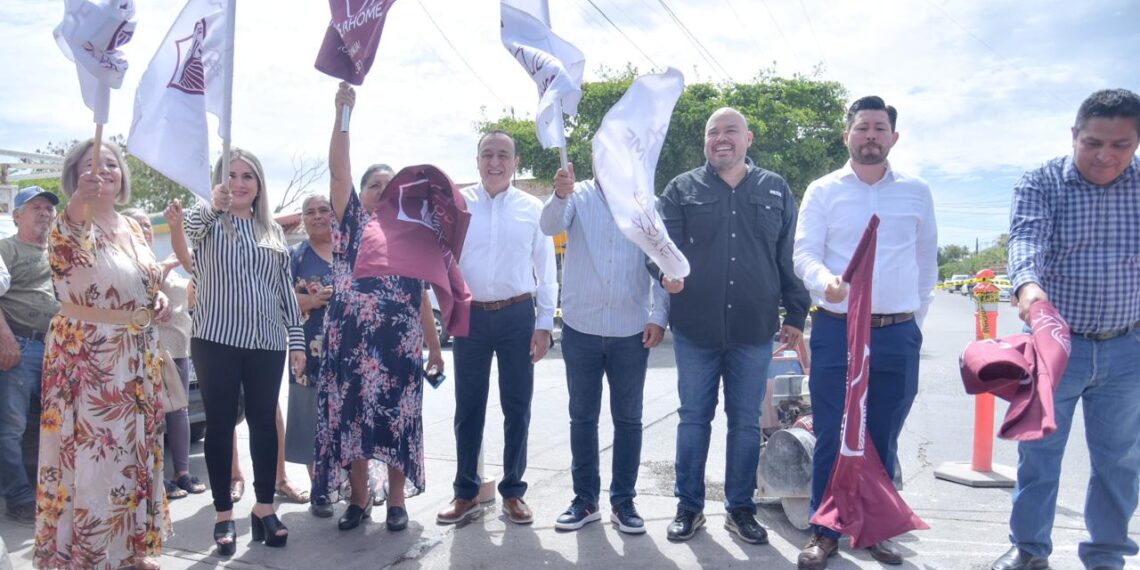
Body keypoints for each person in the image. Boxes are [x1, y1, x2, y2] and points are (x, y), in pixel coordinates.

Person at [993, 88, 1140, 570]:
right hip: (1056, 348)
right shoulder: (1042, 182)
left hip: (1127, 347)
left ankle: (1107, 555)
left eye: (1121, 145)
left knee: (1119, 462)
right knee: (1038, 454)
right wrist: (1028, 288)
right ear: (1074, 134)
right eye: (1093, 142)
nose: (1105, 155)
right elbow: (1026, 239)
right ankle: (1029, 549)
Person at [652, 107, 810, 544]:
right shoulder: (681, 189)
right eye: (713, 132)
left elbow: (788, 256)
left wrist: (796, 315)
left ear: (748, 138)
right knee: (693, 419)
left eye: (730, 131)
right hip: (695, 328)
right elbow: (659, 247)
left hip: (753, 329)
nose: (721, 138)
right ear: (705, 141)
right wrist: (663, 273)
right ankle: (689, 508)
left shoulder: (775, 189)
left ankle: (740, 509)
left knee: (744, 423)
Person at [792, 95, 937, 569]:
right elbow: (804, 253)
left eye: (879, 128)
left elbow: (925, 263)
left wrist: (913, 325)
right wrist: (825, 282)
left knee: (882, 433)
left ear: (893, 137)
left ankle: (875, 528)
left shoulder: (916, 191)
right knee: (833, 431)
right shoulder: (823, 190)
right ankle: (825, 530)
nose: (870, 136)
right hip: (838, 330)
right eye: (862, 127)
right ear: (847, 135)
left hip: (896, 334)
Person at [314, 83, 445, 533]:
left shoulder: (413, 236)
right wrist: (342, 114)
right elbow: (338, 171)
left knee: (396, 420)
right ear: (363, 194)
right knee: (352, 421)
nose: (382, 191)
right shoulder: (350, 223)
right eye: (374, 185)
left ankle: (396, 502)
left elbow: (421, 297)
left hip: (399, 349)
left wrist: (434, 348)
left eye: (390, 187)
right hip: (349, 345)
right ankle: (358, 500)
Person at [34, 140, 170, 570]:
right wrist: (80, 199)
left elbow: (139, 281)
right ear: (75, 176)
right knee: (95, 459)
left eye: (111, 163)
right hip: (91, 361)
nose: (103, 170)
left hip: (137, 359)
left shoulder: (134, 226)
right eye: (91, 165)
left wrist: (155, 298)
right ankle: (88, 556)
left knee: (133, 453)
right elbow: (74, 227)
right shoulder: (71, 222)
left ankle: (129, 549)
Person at [184, 148, 306, 554]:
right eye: (230, 175)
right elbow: (190, 230)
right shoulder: (205, 220)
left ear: (259, 185)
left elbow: (284, 291)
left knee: (264, 424)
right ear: (219, 183)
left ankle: (264, 508)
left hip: (266, 342)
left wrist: (296, 341)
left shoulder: (272, 232)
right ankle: (223, 514)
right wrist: (212, 205)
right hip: (216, 339)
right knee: (220, 426)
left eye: (247, 176)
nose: (238, 183)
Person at [436, 129, 557, 527]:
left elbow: (547, 270)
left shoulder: (532, 208)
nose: (495, 162)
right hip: (470, 316)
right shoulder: (457, 205)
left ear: (515, 162)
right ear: (476, 160)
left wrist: (544, 324)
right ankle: (466, 492)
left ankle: (513, 492)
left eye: (503, 154)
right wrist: (445, 309)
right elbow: (440, 259)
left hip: (517, 316)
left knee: (517, 406)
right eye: (487, 154)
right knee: (468, 408)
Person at [540, 164, 667, 534]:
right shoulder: (575, 195)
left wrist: (659, 315)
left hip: (631, 329)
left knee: (628, 420)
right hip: (582, 327)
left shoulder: (646, 203)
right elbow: (549, 225)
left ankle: (623, 501)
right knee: (582, 418)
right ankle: (585, 500)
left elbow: (662, 257)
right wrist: (559, 194)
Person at [123, 206, 209, 502]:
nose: (145, 230)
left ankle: (182, 472)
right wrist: (169, 266)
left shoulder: (158, 260)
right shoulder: (126, 262)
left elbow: (188, 298)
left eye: (147, 225)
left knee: (179, 411)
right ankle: (155, 478)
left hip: (179, 347)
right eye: (137, 225)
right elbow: (142, 291)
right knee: (152, 413)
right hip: (149, 350)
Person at [0, 187, 61, 524]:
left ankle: (45, 492)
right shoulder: (6, 248)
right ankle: (19, 496)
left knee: (50, 425)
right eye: (35, 207)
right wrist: (5, 337)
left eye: (48, 208)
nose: (44, 213)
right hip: (20, 346)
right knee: (12, 426)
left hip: (59, 348)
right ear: (16, 216)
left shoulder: (60, 251)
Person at [286, 194, 336, 516]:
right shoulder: (296, 256)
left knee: (346, 420)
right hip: (307, 351)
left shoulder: (349, 250)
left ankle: (353, 489)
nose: (317, 216)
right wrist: (311, 301)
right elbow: (279, 298)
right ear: (303, 219)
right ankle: (319, 489)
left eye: (323, 210)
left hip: (349, 352)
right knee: (311, 421)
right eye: (310, 212)